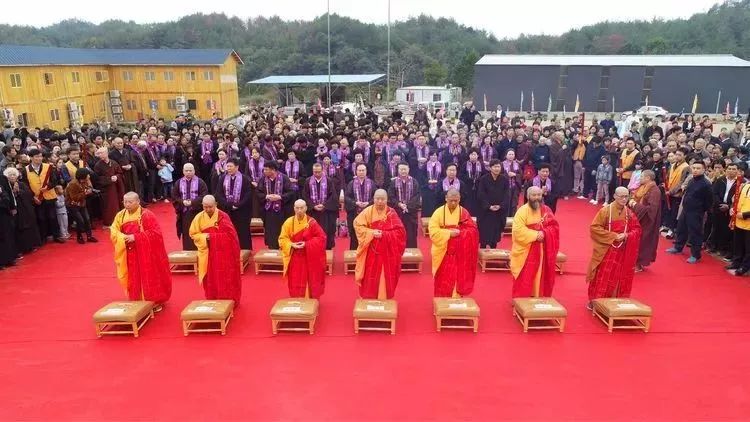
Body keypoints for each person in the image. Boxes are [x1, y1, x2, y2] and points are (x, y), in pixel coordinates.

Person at [110, 192, 172, 311]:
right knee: (133, 277)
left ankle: (154, 301)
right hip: (130, 252)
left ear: (138, 202)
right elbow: (114, 231)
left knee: (149, 276)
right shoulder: (120, 215)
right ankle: (137, 301)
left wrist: (136, 237)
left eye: (130, 202)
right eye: (125, 202)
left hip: (146, 253)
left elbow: (156, 234)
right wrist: (123, 238)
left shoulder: (146, 215)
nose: (127, 204)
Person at [586, 187, 642, 308]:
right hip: (607, 250)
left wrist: (627, 235)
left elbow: (637, 229)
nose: (624, 199)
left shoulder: (629, 213)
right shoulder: (605, 211)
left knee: (618, 277)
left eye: (626, 196)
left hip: (622, 252)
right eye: (621, 196)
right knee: (602, 277)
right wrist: (613, 236)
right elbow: (595, 228)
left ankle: (615, 303)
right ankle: (596, 302)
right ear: (615, 196)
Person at [353, 189, 406, 299]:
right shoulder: (368, 211)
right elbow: (357, 225)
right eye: (377, 199)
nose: (380, 201)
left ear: (387, 200)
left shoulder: (391, 213)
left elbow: (400, 233)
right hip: (372, 251)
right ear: (373, 199)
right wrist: (371, 232)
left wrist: (384, 234)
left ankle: (384, 296)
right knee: (370, 275)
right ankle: (368, 297)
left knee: (385, 276)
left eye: (383, 199)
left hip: (387, 252)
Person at [189, 195, 242, 304]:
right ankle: (212, 299)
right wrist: (205, 237)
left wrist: (212, 237)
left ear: (216, 205)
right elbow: (193, 234)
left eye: (210, 207)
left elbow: (231, 237)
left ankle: (228, 301)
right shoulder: (199, 218)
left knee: (225, 278)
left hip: (223, 255)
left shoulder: (223, 217)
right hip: (207, 253)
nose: (208, 210)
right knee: (210, 278)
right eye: (205, 207)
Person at [510, 186, 561, 297]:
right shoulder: (522, 211)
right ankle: (521, 300)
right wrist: (536, 234)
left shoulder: (546, 210)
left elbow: (554, 227)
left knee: (541, 275)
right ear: (528, 196)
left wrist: (545, 233)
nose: (537, 197)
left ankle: (539, 296)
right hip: (527, 251)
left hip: (543, 250)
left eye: (539, 195)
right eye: (534, 195)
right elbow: (518, 231)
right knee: (526, 277)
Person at [428, 188, 479, 297]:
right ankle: (440, 300)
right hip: (443, 252)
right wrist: (448, 234)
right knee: (442, 278)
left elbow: (472, 230)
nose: (453, 203)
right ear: (446, 198)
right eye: (451, 200)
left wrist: (461, 233)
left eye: (456, 200)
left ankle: (456, 297)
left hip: (459, 253)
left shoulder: (463, 212)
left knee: (457, 276)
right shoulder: (438, 213)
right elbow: (433, 232)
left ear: (459, 199)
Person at [666, 161, 714, 263]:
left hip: (696, 212)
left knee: (695, 233)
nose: (695, 170)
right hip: (686, 209)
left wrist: (701, 209)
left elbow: (709, 201)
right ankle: (678, 247)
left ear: (703, 170)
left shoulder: (706, 184)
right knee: (681, 229)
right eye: (694, 168)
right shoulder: (692, 180)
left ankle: (695, 255)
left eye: (698, 168)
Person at [278, 199, 327, 298]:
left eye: (301, 208)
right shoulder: (288, 222)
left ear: (306, 208)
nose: (299, 210)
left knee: (309, 279)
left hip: (308, 256)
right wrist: (291, 245)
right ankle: (296, 298)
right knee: (295, 279)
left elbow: (322, 238)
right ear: (294, 209)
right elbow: (282, 238)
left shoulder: (312, 222)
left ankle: (309, 300)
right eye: (297, 208)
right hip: (294, 256)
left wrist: (307, 244)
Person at [23, 148, 65, 243]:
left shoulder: (48, 167)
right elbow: (25, 186)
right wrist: (33, 197)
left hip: (49, 195)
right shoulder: (25, 170)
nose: (39, 158)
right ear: (31, 158)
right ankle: (43, 237)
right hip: (37, 198)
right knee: (41, 218)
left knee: (53, 217)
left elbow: (54, 180)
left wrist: (48, 187)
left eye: (40, 156)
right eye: (37, 156)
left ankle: (56, 235)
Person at [215, 158, 253, 250]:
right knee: (228, 229)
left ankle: (244, 249)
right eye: (227, 166)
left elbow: (248, 194)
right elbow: (219, 193)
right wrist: (227, 204)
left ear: (237, 167)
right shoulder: (223, 178)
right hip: (227, 209)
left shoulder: (245, 179)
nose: (228, 168)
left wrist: (239, 204)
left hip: (241, 209)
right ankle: (229, 248)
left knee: (242, 230)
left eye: (231, 166)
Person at [628, 170, 662, 272]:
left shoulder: (655, 190)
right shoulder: (643, 187)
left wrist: (634, 205)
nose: (640, 178)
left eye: (642, 176)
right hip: (639, 218)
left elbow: (651, 209)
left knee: (643, 242)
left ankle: (638, 264)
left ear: (648, 178)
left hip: (647, 221)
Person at [2, 167, 41, 253]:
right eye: (10, 175)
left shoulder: (21, 184)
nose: (12, 177)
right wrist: (13, 192)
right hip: (15, 211)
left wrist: (18, 191)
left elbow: (29, 194)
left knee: (29, 228)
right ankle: (20, 249)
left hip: (25, 210)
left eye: (14, 175)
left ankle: (31, 246)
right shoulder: (5, 186)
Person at [257, 161, 294, 249]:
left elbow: (291, 192)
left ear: (273, 170)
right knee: (270, 230)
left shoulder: (284, 178)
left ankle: (283, 245)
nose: (264, 171)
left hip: (282, 210)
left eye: (266, 169)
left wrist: (280, 197)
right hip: (268, 210)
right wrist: (266, 196)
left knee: (281, 229)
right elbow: (258, 192)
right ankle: (271, 246)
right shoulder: (263, 179)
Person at [171, 163, 208, 250]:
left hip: (197, 212)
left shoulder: (200, 182)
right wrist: (182, 202)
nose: (188, 172)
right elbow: (174, 196)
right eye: (186, 170)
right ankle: (188, 253)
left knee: (198, 232)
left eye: (190, 170)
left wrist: (193, 202)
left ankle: (200, 251)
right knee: (187, 233)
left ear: (194, 171)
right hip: (184, 213)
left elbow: (204, 195)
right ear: (183, 171)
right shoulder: (178, 182)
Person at [301, 162, 338, 250]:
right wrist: (313, 206)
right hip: (312, 212)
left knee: (325, 232)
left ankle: (326, 250)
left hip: (325, 212)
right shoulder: (308, 181)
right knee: (312, 232)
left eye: (318, 172)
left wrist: (324, 205)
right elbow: (304, 195)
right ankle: (312, 249)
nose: (317, 174)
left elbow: (333, 196)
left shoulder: (329, 181)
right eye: (315, 172)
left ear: (322, 171)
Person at [476, 159, 509, 248]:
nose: (497, 169)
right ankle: (482, 252)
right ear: (490, 168)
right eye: (495, 167)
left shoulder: (504, 179)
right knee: (484, 236)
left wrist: (501, 206)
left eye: (498, 166)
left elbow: (507, 195)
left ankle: (493, 250)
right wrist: (488, 206)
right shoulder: (483, 179)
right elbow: (481, 194)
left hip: (498, 211)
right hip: (486, 211)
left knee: (495, 236)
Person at [387, 163, 421, 248]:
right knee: (397, 234)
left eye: (405, 169)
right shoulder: (393, 182)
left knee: (411, 235)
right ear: (398, 170)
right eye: (401, 169)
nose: (403, 171)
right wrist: (399, 204)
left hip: (410, 213)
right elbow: (391, 197)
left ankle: (411, 256)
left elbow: (417, 196)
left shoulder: (414, 181)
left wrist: (407, 206)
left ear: (408, 169)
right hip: (397, 213)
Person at [343, 163, 375, 250]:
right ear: (356, 171)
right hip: (354, 213)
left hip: (368, 213)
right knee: (355, 235)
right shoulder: (351, 183)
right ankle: (354, 256)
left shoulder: (371, 183)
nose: (361, 172)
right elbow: (346, 197)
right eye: (359, 170)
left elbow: (375, 197)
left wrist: (368, 203)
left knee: (368, 233)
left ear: (366, 171)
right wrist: (355, 203)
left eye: (363, 170)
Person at [93, 147, 125, 229]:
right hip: (106, 189)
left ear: (107, 153)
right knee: (108, 206)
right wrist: (109, 179)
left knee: (118, 204)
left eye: (102, 153)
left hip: (116, 187)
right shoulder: (98, 165)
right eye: (99, 153)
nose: (100, 155)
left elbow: (120, 173)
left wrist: (117, 177)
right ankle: (109, 222)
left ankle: (119, 221)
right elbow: (97, 179)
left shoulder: (114, 163)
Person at [64, 168, 97, 244]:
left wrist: (89, 190)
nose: (88, 176)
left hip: (82, 203)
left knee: (87, 219)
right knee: (80, 221)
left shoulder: (84, 181)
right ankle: (79, 236)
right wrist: (86, 193)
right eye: (87, 175)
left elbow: (88, 188)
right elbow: (74, 198)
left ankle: (89, 236)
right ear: (83, 176)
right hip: (73, 205)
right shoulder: (73, 184)